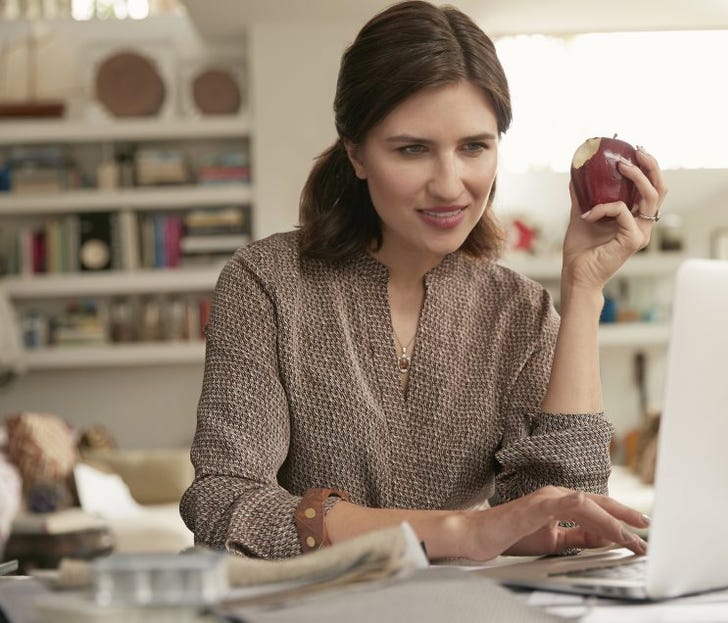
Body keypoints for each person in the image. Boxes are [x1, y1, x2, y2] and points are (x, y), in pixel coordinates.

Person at [179, 0, 667, 561]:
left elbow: (559, 517)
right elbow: (223, 502)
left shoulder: (520, 310)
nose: (450, 184)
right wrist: (458, 531)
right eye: (413, 149)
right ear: (356, 152)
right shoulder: (264, 284)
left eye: (474, 147)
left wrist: (583, 292)